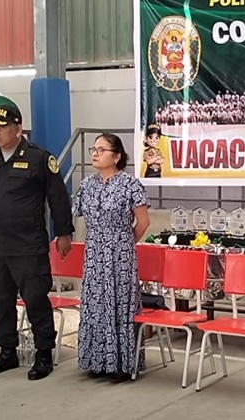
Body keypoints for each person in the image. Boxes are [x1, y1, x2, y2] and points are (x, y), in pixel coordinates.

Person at [0, 104, 73, 381]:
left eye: (2, 127)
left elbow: (58, 197)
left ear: (18, 128)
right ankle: (7, 350)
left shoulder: (38, 158)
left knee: (35, 300)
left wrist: (63, 232)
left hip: (27, 245)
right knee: (0, 301)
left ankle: (43, 352)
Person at [74, 133, 151, 383]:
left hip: (120, 253)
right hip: (94, 252)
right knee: (95, 304)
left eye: (101, 150)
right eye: (93, 150)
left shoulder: (130, 184)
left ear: (116, 156)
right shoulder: (87, 184)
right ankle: (97, 361)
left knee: (119, 304)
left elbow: (143, 222)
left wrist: (123, 243)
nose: (95, 154)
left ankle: (122, 363)